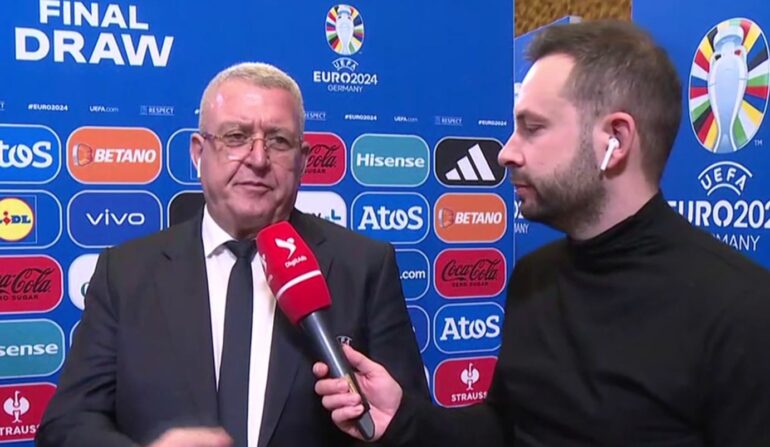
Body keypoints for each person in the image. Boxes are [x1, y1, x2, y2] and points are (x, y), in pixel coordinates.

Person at [314, 20, 770, 447]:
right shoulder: (536, 276)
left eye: (533, 128)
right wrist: (404, 419)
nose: (506, 153)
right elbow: (506, 428)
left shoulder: (742, 312)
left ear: (615, 140)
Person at [37, 62, 428, 447]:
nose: (258, 159)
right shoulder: (125, 273)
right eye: (236, 136)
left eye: (278, 140)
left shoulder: (364, 266)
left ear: (303, 159)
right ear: (198, 152)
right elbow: (66, 425)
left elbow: (410, 427)